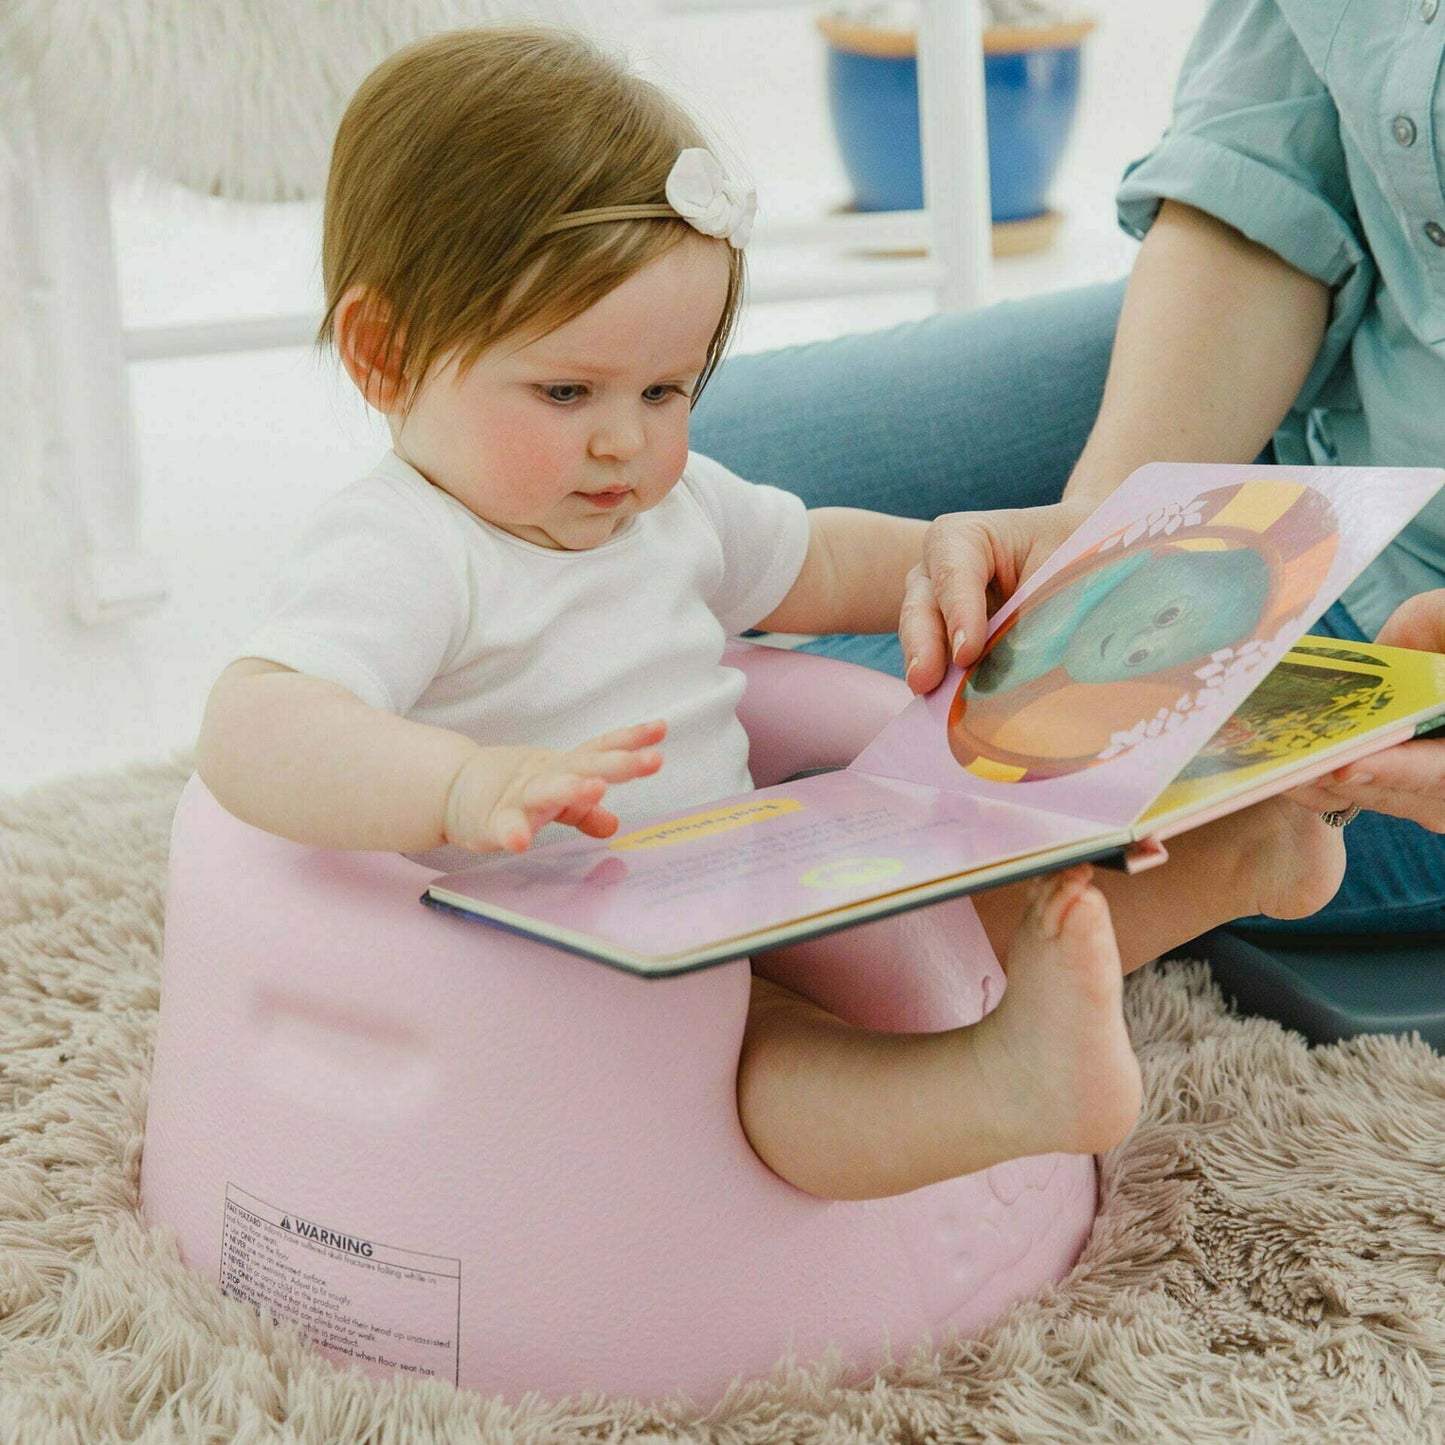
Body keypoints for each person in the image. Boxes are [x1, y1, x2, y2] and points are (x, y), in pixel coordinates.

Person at [197, 26, 1337, 1203]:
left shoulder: (665, 504)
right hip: (546, 981)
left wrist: (973, 574)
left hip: (724, 899)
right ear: (384, 354)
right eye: (566, 390)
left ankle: (1241, 854)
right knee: (765, 1074)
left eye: (665, 388)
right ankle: (1005, 1089)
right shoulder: (407, 548)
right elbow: (252, 721)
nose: (623, 439)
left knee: (940, 906)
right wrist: (460, 785)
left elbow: (819, 556)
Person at [693, 0, 1445, 938]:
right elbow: (1266, 168)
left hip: (1404, 606)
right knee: (627, 443)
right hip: (1310, 356)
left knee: (748, 763)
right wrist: (1107, 524)